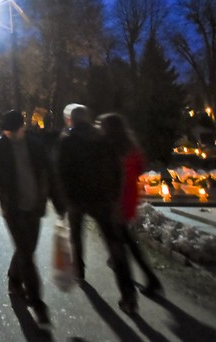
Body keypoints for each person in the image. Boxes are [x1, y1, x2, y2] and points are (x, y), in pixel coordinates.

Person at [0, 110, 65, 329]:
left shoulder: (36, 145)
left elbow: (50, 176)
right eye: (6, 131)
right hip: (13, 209)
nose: (9, 134)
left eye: (13, 131)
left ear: (22, 128)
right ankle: (38, 305)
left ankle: (14, 279)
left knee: (26, 249)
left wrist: (59, 204)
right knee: (27, 254)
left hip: (35, 207)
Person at [57, 105, 137, 314]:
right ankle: (128, 295)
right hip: (103, 198)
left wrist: (64, 199)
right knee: (114, 245)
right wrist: (115, 196)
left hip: (78, 198)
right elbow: (117, 168)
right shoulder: (102, 138)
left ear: (72, 120)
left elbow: (62, 172)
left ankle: (80, 270)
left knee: (76, 236)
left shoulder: (68, 140)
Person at [98, 112, 163, 296]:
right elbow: (141, 167)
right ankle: (148, 277)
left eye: (101, 125)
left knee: (122, 239)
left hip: (117, 198)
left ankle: (145, 280)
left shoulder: (111, 148)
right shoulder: (130, 145)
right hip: (129, 195)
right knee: (126, 236)